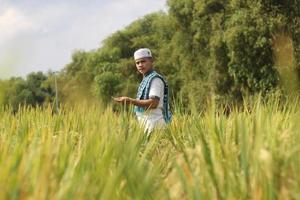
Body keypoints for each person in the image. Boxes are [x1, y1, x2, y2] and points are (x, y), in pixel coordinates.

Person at [113, 48, 172, 134]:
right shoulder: (146, 79)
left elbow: (153, 103)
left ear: (151, 61)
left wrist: (130, 101)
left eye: (143, 61)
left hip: (155, 127)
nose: (140, 65)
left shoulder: (155, 80)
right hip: (148, 127)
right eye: (137, 63)